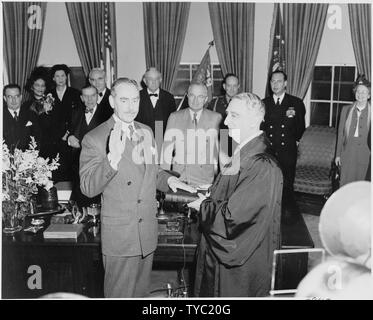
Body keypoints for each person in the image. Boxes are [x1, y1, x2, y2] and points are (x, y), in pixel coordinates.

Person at [79, 78, 196, 298]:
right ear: (112, 101)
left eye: (135, 100)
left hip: (146, 233)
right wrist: (111, 160)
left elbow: (151, 172)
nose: (131, 106)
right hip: (121, 236)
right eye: (124, 100)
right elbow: (87, 187)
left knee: (141, 295)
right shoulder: (94, 138)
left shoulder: (146, 132)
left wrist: (170, 180)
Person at [188, 93, 283, 297]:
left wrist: (204, 206)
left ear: (255, 120)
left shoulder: (262, 164)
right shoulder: (246, 151)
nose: (227, 120)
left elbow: (235, 219)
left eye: (234, 115)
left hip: (242, 266)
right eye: (228, 114)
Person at [262, 70, 306, 223]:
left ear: (285, 83)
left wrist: (292, 140)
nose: (275, 84)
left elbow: (300, 127)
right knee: (268, 184)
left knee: (287, 184)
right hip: (269, 151)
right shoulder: (264, 103)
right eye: (272, 81)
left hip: (287, 151)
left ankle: (287, 218)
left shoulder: (296, 103)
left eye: (279, 81)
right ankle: (268, 217)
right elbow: (261, 127)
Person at [161, 82, 222, 187]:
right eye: (192, 95)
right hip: (179, 178)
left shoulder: (216, 118)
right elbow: (166, 151)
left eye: (200, 97)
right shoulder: (175, 117)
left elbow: (222, 152)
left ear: (206, 98)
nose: (195, 100)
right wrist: (165, 180)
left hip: (204, 179)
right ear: (187, 96)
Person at [68, 85, 110, 209]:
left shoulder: (107, 114)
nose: (90, 99)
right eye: (86, 96)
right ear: (81, 98)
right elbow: (70, 131)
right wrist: (70, 137)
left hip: (99, 164)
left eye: (93, 95)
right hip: (79, 166)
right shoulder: (76, 113)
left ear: (98, 96)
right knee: (80, 204)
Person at [46, 64, 82, 181]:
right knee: (56, 172)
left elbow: (79, 117)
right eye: (57, 76)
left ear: (66, 77)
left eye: (63, 75)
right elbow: (47, 119)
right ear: (53, 78)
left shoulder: (75, 93)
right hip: (54, 140)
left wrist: (68, 134)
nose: (60, 79)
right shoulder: (48, 95)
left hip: (71, 138)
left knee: (72, 172)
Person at [335, 75, 371, 187]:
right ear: (355, 93)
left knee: (361, 186)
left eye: (364, 92)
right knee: (345, 185)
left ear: (369, 95)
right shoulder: (346, 110)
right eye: (358, 92)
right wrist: (338, 155)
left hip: (365, 155)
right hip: (347, 154)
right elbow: (340, 134)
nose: (361, 95)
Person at [135, 67, 176, 136]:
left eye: (156, 79)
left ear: (160, 80)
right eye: (150, 79)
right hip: (142, 138)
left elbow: (173, 121)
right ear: (145, 81)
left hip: (163, 139)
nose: (153, 82)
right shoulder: (136, 97)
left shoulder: (169, 97)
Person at [207, 73, 240, 158]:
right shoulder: (215, 103)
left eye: (235, 86)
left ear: (238, 86)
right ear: (224, 86)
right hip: (218, 144)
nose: (232, 89)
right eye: (229, 85)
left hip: (238, 144)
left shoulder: (244, 104)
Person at [3, 84, 42, 151]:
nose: (14, 100)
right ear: (5, 98)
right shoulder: (1, 115)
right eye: (10, 97)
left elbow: (38, 139)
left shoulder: (31, 114)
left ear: (21, 97)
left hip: (27, 157)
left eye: (16, 96)